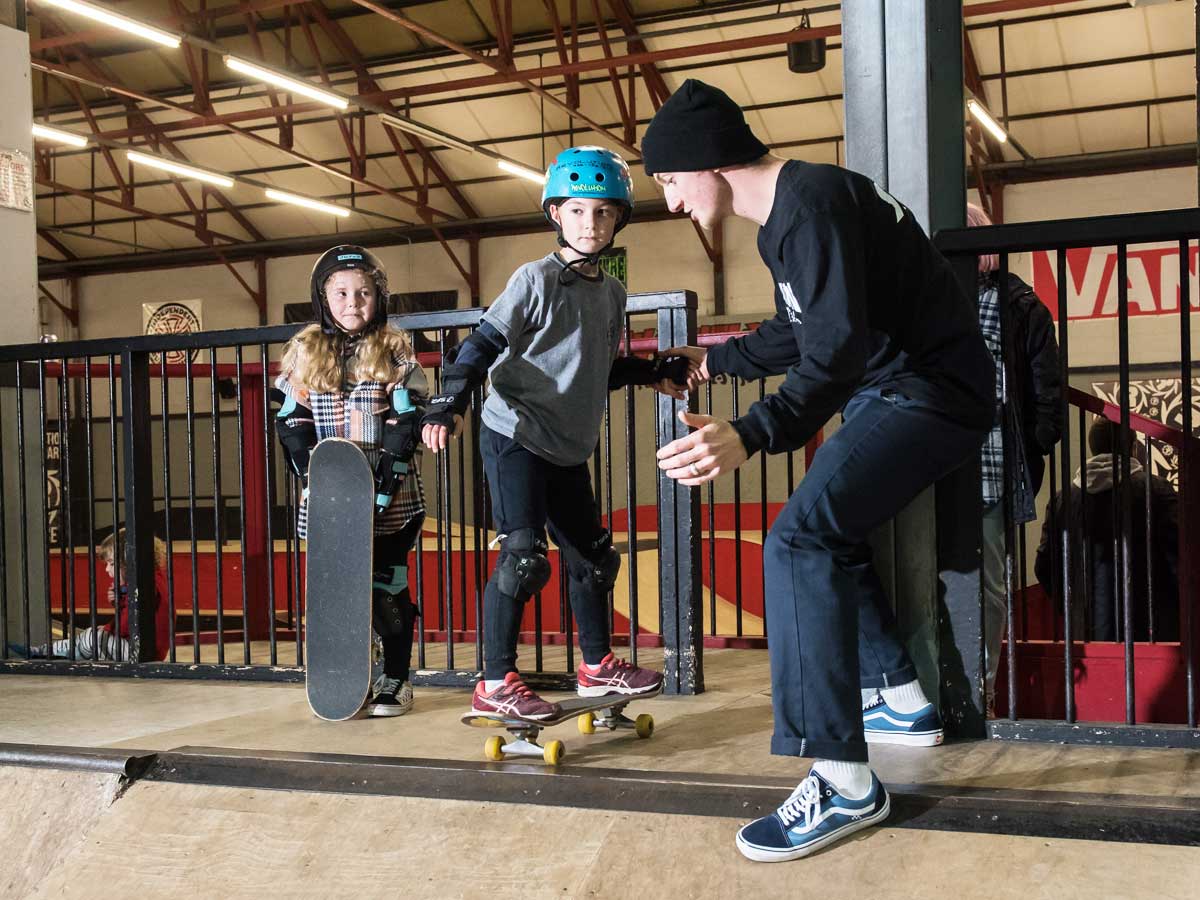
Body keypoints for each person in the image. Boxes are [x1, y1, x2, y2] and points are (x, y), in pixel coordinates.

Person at [642, 80, 994, 862]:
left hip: (931, 392)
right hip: (898, 390)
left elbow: (831, 352)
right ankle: (900, 700)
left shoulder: (815, 203)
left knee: (797, 541)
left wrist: (752, 430)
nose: (668, 201)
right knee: (817, 531)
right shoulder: (788, 221)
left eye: (667, 180)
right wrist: (716, 362)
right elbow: (802, 329)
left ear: (705, 161)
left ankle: (843, 780)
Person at [420, 146, 692, 720]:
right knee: (524, 559)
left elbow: (595, 368)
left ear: (619, 218)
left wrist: (652, 373)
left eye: (601, 212)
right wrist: (447, 404)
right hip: (514, 432)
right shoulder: (534, 279)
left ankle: (596, 668)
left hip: (567, 445)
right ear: (556, 215)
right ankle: (494, 682)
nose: (589, 224)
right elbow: (480, 346)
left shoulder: (613, 293)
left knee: (594, 558)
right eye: (576, 211)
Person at [275, 245, 428, 717]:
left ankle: (397, 679)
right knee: (338, 594)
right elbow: (290, 417)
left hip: (392, 498)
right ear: (324, 297)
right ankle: (354, 676)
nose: (353, 302)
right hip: (330, 501)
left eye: (363, 293)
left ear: (378, 297)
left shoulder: (395, 349)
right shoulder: (304, 351)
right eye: (340, 293)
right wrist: (309, 470)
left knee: (385, 589)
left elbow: (408, 418)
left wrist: (390, 475)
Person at [967, 202, 1063, 716]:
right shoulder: (939, 301)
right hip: (948, 458)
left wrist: (1036, 445)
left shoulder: (1022, 306)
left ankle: (978, 684)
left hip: (994, 462)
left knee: (987, 578)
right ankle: (958, 682)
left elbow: (1047, 390)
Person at [1034, 417, 1179, 643]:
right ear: (1132, 448)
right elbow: (1178, 557)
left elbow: (1045, 566)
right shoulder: (1156, 490)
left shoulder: (1063, 500)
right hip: (1151, 628)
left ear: (1093, 448)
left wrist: (1072, 608)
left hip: (1086, 630)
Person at [12, 528, 171, 661]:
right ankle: (46, 651)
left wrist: (110, 627)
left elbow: (127, 624)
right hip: (140, 647)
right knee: (93, 634)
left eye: (112, 563)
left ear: (129, 561)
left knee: (94, 638)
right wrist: (120, 600)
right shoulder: (149, 580)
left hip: (144, 653)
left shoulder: (147, 585)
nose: (107, 569)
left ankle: (54, 654)